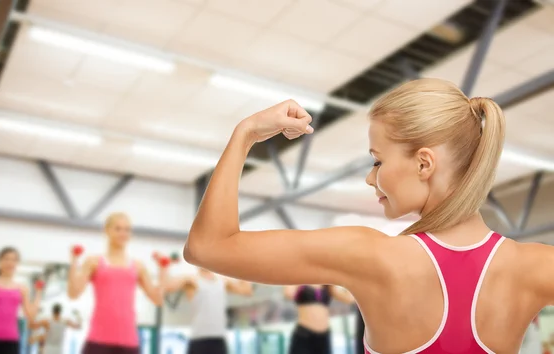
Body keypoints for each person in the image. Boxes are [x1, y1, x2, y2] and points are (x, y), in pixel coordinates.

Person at [182, 78, 554, 353]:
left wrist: (245, 133)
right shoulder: (535, 265)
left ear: (424, 163)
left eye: (378, 160)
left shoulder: (373, 256)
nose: (370, 176)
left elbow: (208, 246)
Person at [68, 212, 167, 354]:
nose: (123, 233)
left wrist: (162, 270)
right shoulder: (94, 262)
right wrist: (74, 261)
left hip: (128, 341)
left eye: (127, 229)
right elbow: (73, 293)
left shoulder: (137, 266)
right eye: (118, 228)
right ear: (106, 230)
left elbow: (157, 299)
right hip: (98, 340)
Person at [164, 267, 253, 354]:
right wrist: (165, 266)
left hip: (218, 340)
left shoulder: (223, 281)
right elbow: (166, 287)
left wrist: (243, 265)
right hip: (198, 340)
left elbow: (247, 290)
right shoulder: (191, 280)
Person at [283, 285, 355, 354]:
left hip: (324, 337)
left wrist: (345, 279)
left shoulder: (327, 283)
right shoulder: (301, 278)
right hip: (304, 335)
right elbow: (288, 293)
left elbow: (349, 299)